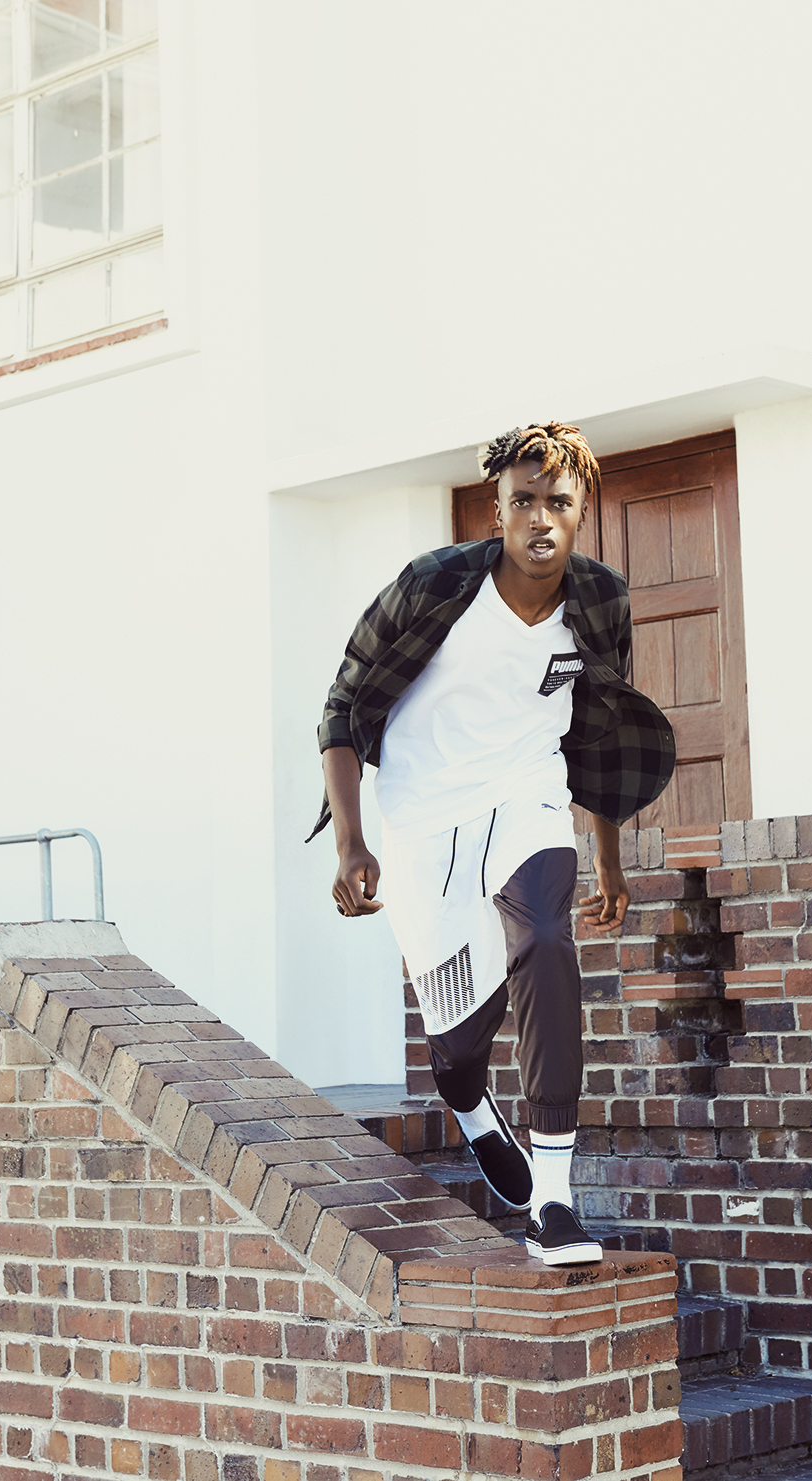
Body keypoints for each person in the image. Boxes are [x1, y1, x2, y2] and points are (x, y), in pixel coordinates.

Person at [309, 422, 674, 1264]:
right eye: (524, 500)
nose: (541, 517)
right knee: (460, 1042)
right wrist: (351, 842)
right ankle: (470, 1104)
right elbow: (341, 706)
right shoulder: (435, 584)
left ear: (581, 511)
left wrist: (608, 856)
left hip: (528, 792)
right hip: (422, 812)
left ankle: (553, 1198)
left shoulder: (601, 600)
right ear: (497, 509)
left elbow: (597, 729)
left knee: (545, 936)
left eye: (559, 501)